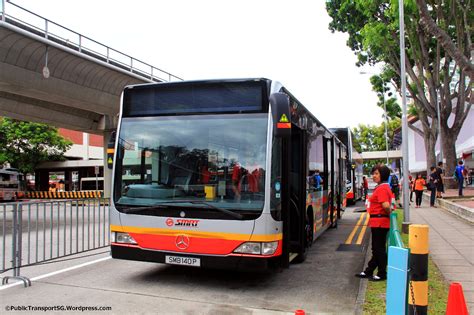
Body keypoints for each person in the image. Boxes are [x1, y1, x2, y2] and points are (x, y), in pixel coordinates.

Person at [355, 164, 392, 282]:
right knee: (376, 248)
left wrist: (389, 212)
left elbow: (385, 205)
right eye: (374, 173)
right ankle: (369, 271)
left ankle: (382, 273)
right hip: (378, 221)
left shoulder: (382, 188)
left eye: (376, 173)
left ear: (383, 175)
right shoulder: (382, 187)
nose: (374, 176)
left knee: (378, 249)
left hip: (380, 221)